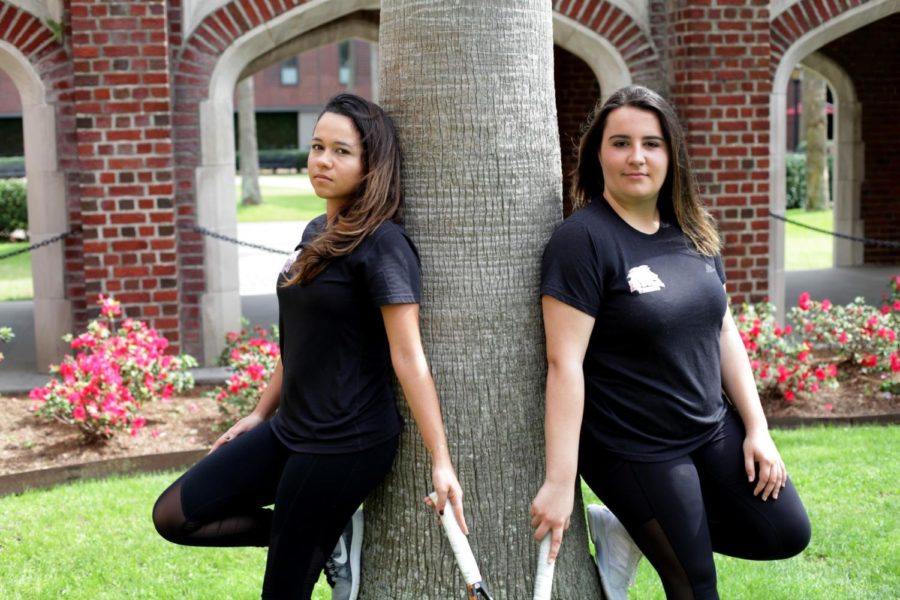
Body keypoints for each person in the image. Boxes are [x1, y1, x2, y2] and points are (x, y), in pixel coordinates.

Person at [152, 93, 466, 600]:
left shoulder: (384, 245)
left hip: (346, 441)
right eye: (318, 146)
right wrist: (259, 413)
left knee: (283, 591)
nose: (322, 160)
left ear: (371, 165)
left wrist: (441, 458)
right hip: (290, 428)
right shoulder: (317, 231)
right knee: (175, 515)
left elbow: (408, 357)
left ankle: (312, 538)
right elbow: (301, 339)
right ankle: (326, 536)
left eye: (341, 151)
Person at [529, 85, 810, 599]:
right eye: (620, 143)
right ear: (599, 152)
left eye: (651, 144)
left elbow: (723, 328)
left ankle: (636, 528)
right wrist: (559, 482)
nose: (637, 157)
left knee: (787, 532)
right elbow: (563, 362)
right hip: (636, 445)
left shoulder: (693, 229)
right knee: (695, 583)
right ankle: (647, 523)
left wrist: (757, 427)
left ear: (671, 154)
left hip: (709, 426)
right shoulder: (583, 240)